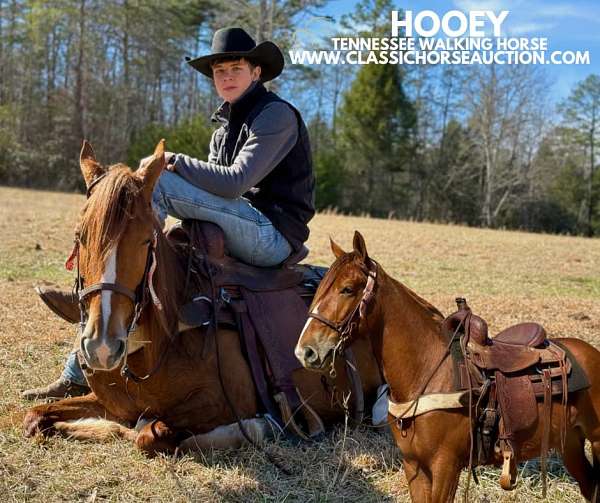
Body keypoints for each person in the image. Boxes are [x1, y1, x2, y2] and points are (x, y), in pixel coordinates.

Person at [21, 27, 315, 400]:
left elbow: (234, 183)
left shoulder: (276, 116)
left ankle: (124, 274)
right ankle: (97, 313)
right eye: (219, 71)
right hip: (235, 226)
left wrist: (172, 162)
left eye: (235, 68)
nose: (225, 76)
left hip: (271, 235)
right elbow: (209, 196)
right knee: (157, 235)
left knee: (155, 184)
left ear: (256, 72)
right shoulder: (222, 133)